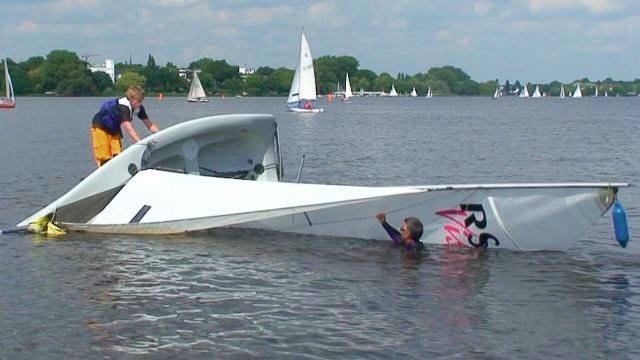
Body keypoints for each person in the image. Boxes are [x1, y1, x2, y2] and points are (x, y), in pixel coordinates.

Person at [90, 85, 160, 167]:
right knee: (105, 157)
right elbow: (128, 128)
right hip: (100, 127)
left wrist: (161, 134)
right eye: (139, 101)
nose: (141, 103)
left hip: (114, 129)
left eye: (142, 101)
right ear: (132, 99)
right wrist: (141, 143)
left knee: (117, 155)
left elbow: (150, 125)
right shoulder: (123, 107)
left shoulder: (139, 108)